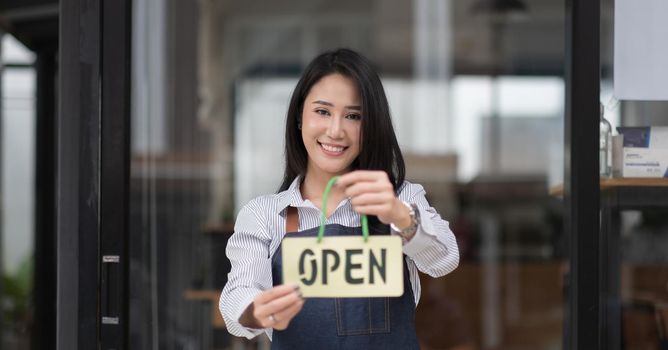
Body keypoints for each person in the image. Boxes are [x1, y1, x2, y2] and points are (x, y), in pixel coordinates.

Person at [219, 48, 459, 349]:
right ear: (299, 117)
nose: (335, 131)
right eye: (322, 111)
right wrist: (257, 311)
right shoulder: (265, 214)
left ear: (371, 125)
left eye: (353, 116)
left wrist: (400, 217)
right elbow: (238, 296)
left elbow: (445, 260)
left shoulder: (402, 199)